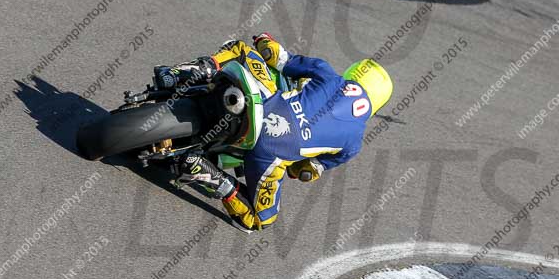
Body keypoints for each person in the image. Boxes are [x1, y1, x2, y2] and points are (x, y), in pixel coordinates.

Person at [154, 34, 393, 230]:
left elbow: (276, 56)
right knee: (261, 219)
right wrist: (298, 165)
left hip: (266, 103)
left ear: (354, 73)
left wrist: (263, 40)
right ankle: (212, 176)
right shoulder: (353, 145)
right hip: (272, 154)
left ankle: (179, 73)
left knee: (239, 49)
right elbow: (306, 172)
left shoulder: (327, 72)